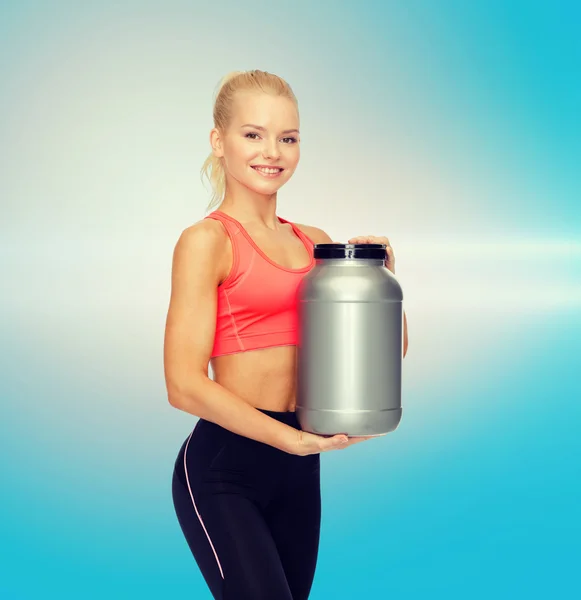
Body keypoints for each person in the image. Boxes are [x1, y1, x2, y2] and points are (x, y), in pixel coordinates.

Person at [164, 70, 409, 600]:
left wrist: (382, 276)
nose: (272, 151)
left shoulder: (316, 244)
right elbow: (183, 384)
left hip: (299, 468)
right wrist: (290, 439)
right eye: (253, 134)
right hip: (224, 467)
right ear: (218, 141)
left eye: (288, 138)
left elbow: (384, 357)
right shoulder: (207, 241)